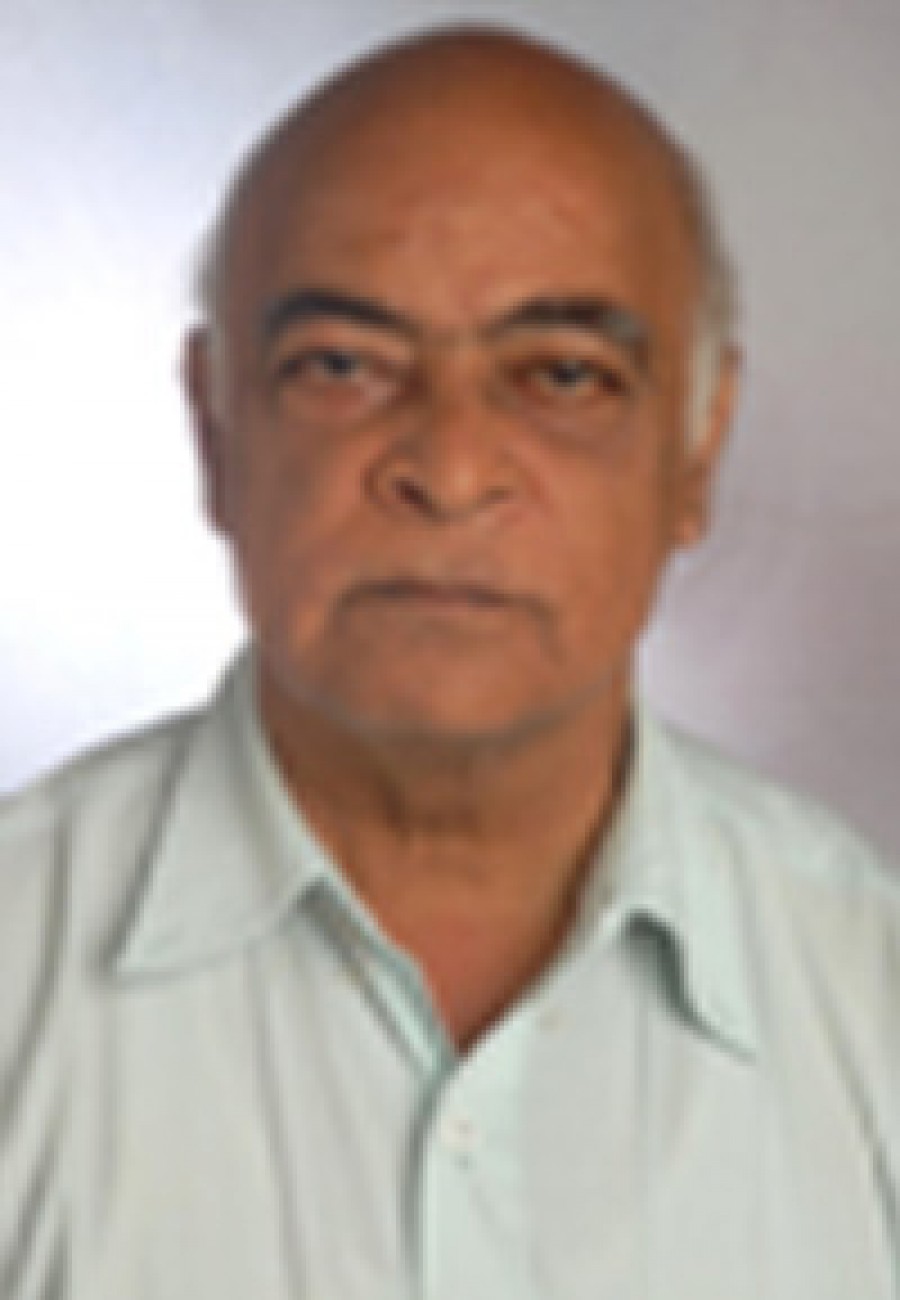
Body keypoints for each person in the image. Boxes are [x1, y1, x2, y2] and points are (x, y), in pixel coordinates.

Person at [1, 23, 897, 1300]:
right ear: (215, 431)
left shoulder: (870, 994)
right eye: (343, 367)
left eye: (564, 376)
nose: (452, 467)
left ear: (697, 448)